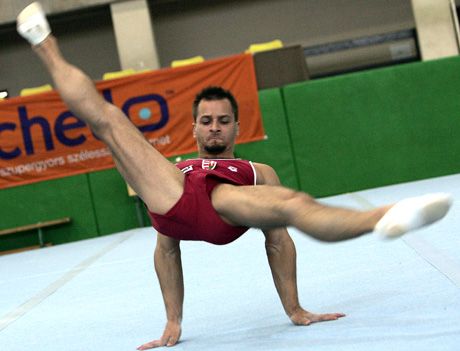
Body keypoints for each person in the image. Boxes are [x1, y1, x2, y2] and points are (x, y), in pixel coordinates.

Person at [16, 2, 453, 349]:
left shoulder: (254, 170)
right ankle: (43, 41)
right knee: (109, 122)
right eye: (205, 121)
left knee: (292, 205)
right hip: (176, 197)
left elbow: (277, 241)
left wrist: (296, 309)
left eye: (223, 121)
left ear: (237, 127)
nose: (214, 127)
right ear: (193, 127)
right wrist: (173, 319)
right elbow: (167, 251)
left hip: (227, 203)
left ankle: (384, 217)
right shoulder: (175, 167)